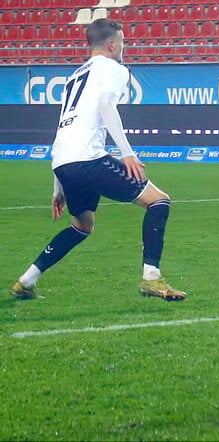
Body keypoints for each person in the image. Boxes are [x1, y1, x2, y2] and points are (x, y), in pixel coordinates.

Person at [10, 18, 187, 301]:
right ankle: (151, 278)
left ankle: (26, 282)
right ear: (112, 44)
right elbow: (106, 105)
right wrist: (127, 151)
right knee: (159, 201)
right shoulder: (114, 68)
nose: (124, 48)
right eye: (123, 42)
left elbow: (63, 127)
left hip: (64, 161)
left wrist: (58, 184)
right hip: (88, 159)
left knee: (82, 227)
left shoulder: (73, 77)